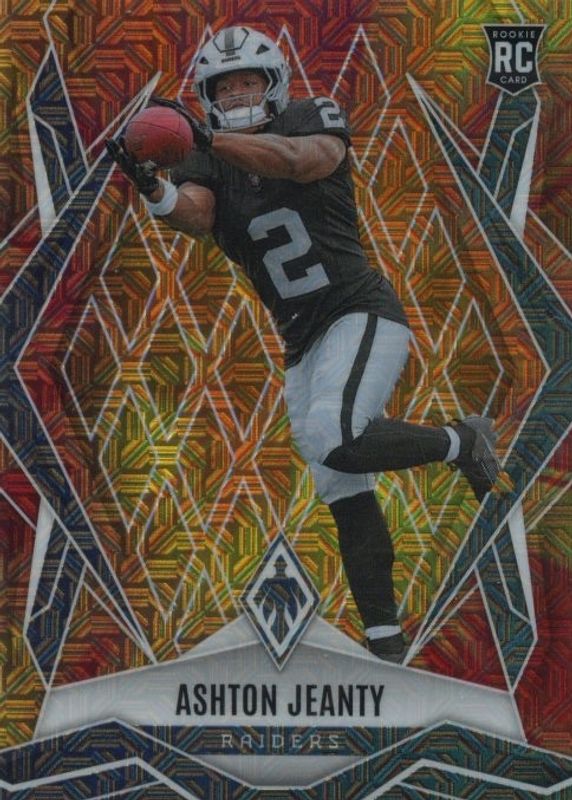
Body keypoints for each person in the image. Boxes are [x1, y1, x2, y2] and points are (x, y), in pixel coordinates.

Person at [107, 25, 500, 663]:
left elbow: (300, 161)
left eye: (248, 81)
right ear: (207, 96)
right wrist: (153, 188)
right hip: (300, 342)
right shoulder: (209, 158)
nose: (236, 94)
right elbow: (198, 214)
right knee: (342, 488)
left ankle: (461, 441)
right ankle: (386, 646)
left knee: (334, 434)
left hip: (358, 312)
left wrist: (206, 138)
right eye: (223, 87)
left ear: (274, 84)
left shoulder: (308, 117)